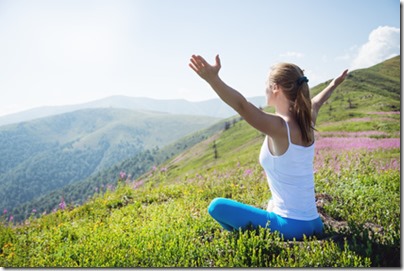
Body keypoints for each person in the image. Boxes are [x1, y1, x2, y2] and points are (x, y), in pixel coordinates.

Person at [189, 54, 348, 241]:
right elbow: (317, 102)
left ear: (275, 88)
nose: (264, 89)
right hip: (314, 223)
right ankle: (262, 231)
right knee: (272, 202)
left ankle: (249, 239)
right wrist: (334, 84)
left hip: (291, 227)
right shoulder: (307, 119)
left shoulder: (280, 127)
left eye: (266, 84)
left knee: (217, 207)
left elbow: (241, 105)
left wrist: (213, 79)